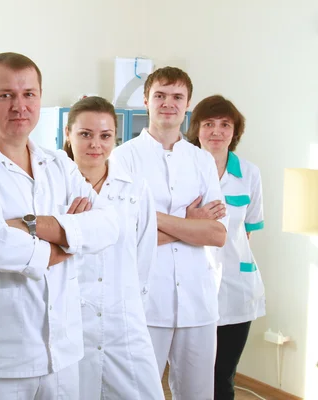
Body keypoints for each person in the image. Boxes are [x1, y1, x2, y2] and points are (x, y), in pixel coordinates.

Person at [0, 52, 121, 400]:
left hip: (61, 354)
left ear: (39, 97)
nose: (19, 105)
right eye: (5, 95)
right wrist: (68, 241)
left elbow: (108, 224)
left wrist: (31, 225)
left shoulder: (58, 164)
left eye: (29, 94)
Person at [111, 66, 228, 400]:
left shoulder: (202, 161)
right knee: (138, 393)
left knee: (198, 394)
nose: (168, 103)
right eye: (160, 95)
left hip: (198, 302)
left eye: (177, 97)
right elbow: (125, 235)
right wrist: (192, 223)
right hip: (146, 302)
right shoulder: (123, 159)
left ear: (187, 104)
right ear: (146, 100)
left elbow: (217, 234)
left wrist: (153, 220)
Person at [63, 96, 164, 399]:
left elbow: (145, 251)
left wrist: (131, 302)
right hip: (71, 318)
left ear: (115, 138)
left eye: (105, 136)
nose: (96, 144)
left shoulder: (133, 188)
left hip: (123, 318)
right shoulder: (54, 185)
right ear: (68, 134)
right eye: (85, 134)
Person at [186, 95, 265, 400]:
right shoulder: (184, 169)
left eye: (225, 125)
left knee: (223, 378)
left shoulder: (249, 173)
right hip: (191, 286)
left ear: (235, 131)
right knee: (192, 376)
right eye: (208, 124)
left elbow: (247, 232)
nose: (216, 131)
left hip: (236, 289)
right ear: (197, 129)